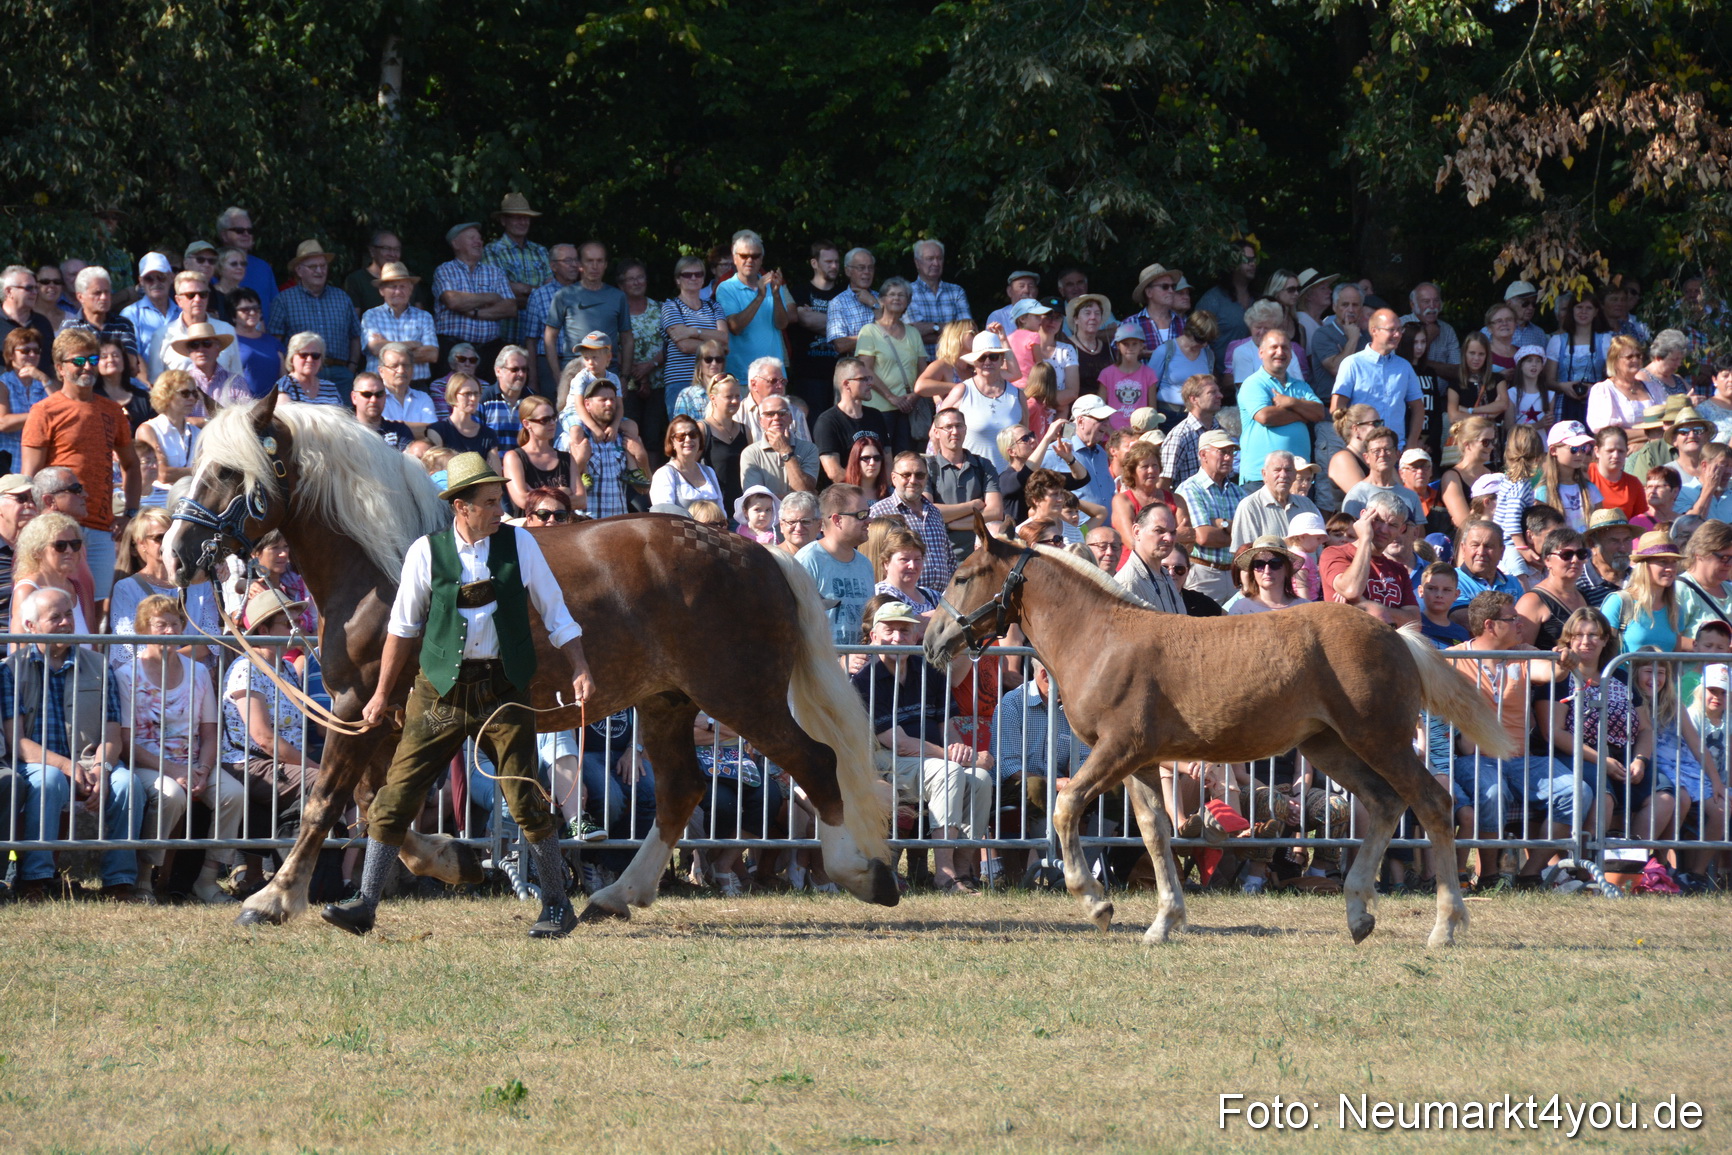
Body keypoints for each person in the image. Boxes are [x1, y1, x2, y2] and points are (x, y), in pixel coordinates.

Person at [325, 454, 594, 937]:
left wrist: (579, 666)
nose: (499, 509)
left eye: (498, 500)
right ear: (460, 507)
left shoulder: (522, 545)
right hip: (439, 691)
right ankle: (365, 903)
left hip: (505, 688)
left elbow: (556, 612)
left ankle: (557, 904)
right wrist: (381, 694)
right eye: (489, 503)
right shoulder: (426, 553)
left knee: (525, 798)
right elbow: (402, 631)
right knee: (396, 794)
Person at [4, 586, 146, 902]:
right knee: (50, 780)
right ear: (31, 627)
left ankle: (119, 883)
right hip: (38, 765)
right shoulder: (10, 670)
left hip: (90, 762)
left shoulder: (99, 664)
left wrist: (102, 767)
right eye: (56, 617)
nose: (67, 623)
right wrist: (66, 766)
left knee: (128, 784)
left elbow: (111, 731)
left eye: (69, 614)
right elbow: (16, 741)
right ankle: (34, 880)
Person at [117, 594, 239, 904]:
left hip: (195, 763)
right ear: (144, 630)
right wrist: (173, 770)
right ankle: (144, 880)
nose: (171, 631)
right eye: (161, 625)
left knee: (234, 794)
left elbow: (210, 731)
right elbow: (127, 741)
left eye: (175, 624)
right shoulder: (126, 675)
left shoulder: (198, 672)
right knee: (171, 795)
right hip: (147, 764)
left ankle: (207, 879)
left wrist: (204, 769)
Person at [21, 331, 141, 601]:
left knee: (97, 605)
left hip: (100, 526)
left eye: (92, 358)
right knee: (55, 600)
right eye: (79, 360)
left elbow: (132, 465)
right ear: (60, 368)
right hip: (55, 524)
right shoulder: (44, 410)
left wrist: (130, 512)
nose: (87, 366)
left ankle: (92, 648)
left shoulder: (112, 411)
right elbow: (30, 476)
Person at [266, 241, 362, 390]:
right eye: (313, 267)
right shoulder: (284, 300)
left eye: (323, 266)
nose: (319, 271)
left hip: (341, 374)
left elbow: (355, 336)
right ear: (299, 271)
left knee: (343, 414)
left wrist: (352, 367)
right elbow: (275, 342)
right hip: (302, 375)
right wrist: (286, 375)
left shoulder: (342, 298)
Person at [1236, 330, 1325, 484]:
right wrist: (1302, 413)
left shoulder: (1301, 385)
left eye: (1285, 348)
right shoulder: (1253, 383)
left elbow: (1319, 412)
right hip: (1261, 477)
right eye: (1274, 347)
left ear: (1291, 354)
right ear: (1261, 353)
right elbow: (1265, 416)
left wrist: (1292, 402)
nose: (1280, 352)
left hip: (1298, 477)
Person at [1320, 492, 1419, 625]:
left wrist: (1371, 607)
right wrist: (1365, 538)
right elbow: (1352, 590)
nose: (1384, 529)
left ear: (1401, 529)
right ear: (1364, 516)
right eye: (1378, 520)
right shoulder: (1334, 553)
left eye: (1393, 525)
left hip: (1388, 643)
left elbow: (1415, 623)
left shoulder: (1398, 570)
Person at [436, 223, 518, 377]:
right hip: (453, 349)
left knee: (488, 396)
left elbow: (510, 308)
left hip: (490, 350)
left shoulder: (495, 272)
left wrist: (474, 312)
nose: (478, 242)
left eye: (479, 239)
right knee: (452, 396)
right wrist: (490, 297)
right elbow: (453, 301)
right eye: (472, 238)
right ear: (455, 244)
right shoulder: (445, 270)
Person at [1173, 429, 1245, 603]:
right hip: (1204, 574)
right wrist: (1236, 530)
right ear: (1203, 455)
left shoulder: (1238, 492)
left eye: (1231, 452)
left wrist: (1222, 525)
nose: (1229, 458)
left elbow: (1250, 534)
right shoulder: (1189, 489)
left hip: (1235, 575)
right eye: (1222, 452)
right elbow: (1203, 536)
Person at [855, 277, 927, 449]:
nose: (897, 298)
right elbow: (865, 370)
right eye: (892, 294)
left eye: (902, 295)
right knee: (879, 456)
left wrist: (915, 397)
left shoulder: (913, 333)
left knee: (905, 457)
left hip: (908, 408)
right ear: (881, 300)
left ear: (908, 302)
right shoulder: (869, 331)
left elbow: (923, 372)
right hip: (878, 409)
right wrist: (891, 397)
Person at [798, 484, 875, 645]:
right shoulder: (809, 560)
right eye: (861, 515)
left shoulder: (865, 564)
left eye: (868, 514)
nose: (869, 520)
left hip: (859, 666)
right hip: (821, 666)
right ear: (837, 520)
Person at [869, 451, 957, 592]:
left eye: (919, 475)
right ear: (894, 478)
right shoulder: (878, 512)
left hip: (939, 601)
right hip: (898, 600)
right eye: (906, 475)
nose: (913, 480)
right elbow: (871, 560)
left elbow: (950, 561)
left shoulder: (935, 513)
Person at [565, 378, 650, 519]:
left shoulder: (626, 436)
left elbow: (643, 489)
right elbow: (561, 489)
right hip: (584, 526)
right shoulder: (573, 438)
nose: (609, 403)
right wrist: (581, 460)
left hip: (618, 526)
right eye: (603, 399)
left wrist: (641, 456)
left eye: (612, 399)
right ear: (587, 404)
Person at [926, 407, 1005, 556]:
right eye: (948, 427)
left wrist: (951, 524)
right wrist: (972, 506)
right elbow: (928, 513)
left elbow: (995, 512)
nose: (955, 432)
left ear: (965, 429)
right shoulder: (927, 467)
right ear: (936, 432)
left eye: (959, 426)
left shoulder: (983, 465)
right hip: (940, 557)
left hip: (979, 556)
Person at [718, 230, 794, 383]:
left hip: (774, 376)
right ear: (734, 258)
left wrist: (776, 294)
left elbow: (782, 324)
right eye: (744, 256)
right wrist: (760, 296)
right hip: (742, 377)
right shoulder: (726, 288)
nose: (749, 260)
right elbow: (735, 327)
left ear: (761, 259)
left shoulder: (772, 285)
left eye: (755, 256)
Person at [945, 332, 1025, 472]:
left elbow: (1024, 438)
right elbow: (936, 432)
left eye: (993, 357)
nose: (987, 362)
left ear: (1001, 360)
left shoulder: (1017, 394)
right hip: (970, 476)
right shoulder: (962, 391)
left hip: (1009, 480)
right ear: (974, 362)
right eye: (982, 357)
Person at [483, 193, 551, 351]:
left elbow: (551, 291)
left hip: (541, 338)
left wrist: (522, 291)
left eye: (526, 217)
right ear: (503, 220)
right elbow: (498, 291)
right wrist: (536, 293)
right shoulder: (492, 251)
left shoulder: (540, 251)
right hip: (505, 337)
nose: (523, 222)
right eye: (516, 217)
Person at [1601, 530, 1687, 653]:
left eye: (1673, 562)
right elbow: (1602, 652)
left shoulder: (1676, 611)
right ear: (1644, 565)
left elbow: (1675, 660)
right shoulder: (1619, 602)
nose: (1670, 569)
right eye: (1662, 562)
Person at [784, 242, 843, 410]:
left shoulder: (844, 294)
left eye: (837, 262)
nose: (834, 266)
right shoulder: (800, 292)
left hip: (839, 376)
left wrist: (814, 318)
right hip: (808, 376)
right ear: (814, 263)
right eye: (828, 262)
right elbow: (804, 320)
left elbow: (853, 327)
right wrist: (840, 324)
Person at [150, 271, 241, 380]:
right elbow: (156, 384)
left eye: (203, 295)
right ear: (178, 300)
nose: (197, 300)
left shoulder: (226, 330)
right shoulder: (162, 336)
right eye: (190, 295)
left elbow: (237, 377)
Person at [502, 395, 581, 513]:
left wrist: (535, 492)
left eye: (553, 418)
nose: (552, 423)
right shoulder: (514, 457)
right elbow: (522, 501)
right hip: (531, 529)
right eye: (545, 420)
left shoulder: (566, 458)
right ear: (527, 424)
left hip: (563, 528)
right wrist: (563, 491)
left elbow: (581, 500)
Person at [360, 262, 437, 381]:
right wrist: (413, 344)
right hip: (380, 387)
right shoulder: (371, 315)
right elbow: (376, 348)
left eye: (402, 286)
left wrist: (387, 348)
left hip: (417, 386)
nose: (398, 291)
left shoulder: (424, 317)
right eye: (393, 286)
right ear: (382, 290)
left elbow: (432, 354)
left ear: (411, 289)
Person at [1229, 449, 1321, 550]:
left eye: (1288, 470)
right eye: (1277, 470)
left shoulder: (1307, 505)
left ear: (1294, 474)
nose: (1283, 475)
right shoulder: (1250, 506)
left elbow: (1319, 549)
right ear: (1264, 474)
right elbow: (1244, 554)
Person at [135, 370, 202, 506]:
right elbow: (162, 474)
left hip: (192, 501)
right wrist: (198, 472)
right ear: (167, 395)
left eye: (194, 394)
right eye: (185, 393)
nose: (192, 398)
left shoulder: (197, 432)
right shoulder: (148, 430)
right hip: (157, 502)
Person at [617, 258, 666, 441]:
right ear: (621, 285)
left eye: (640, 277)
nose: (637, 282)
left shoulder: (661, 308)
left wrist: (650, 366)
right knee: (631, 436)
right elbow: (614, 347)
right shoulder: (617, 311)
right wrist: (638, 373)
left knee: (654, 437)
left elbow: (670, 343)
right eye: (631, 279)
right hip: (627, 385)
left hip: (658, 382)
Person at [1546, 292, 1611, 422]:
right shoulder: (1557, 341)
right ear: (1572, 310)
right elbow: (1549, 381)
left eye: (1589, 308)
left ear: (1596, 312)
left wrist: (1594, 388)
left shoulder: (1605, 340)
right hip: (1565, 403)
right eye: (1579, 307)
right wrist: (1563, 387)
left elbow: (1613, 377)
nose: (1583, 312)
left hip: (1597, 400)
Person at [1112, 502, 1186, 613]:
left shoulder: (1165, 574)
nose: (1169, 538)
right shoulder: (1129, 583)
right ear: (1137, 532)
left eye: (1172, 532)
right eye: (1159, 531)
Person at [62, 267, 140, 370]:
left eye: (107, 292)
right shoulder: (70, 328)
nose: (104, 297)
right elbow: (72, 366)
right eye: (97, 293)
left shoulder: (122, 324)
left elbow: (131, 364)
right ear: (80, 297)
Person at [1147, 312, 1217, 426]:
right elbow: (1149, 388)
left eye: (1208, 341)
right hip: (1168, 415)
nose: (1204, 345)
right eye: (1200, 340)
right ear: (1189, 332)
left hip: (1199, 416)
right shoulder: (1165, 350)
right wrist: (1152, 418)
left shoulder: (1208, 355)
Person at [1341, 426, 1423, 523]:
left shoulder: (1411, 496)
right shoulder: (1357, 495)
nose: (1382, 454)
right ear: (1366, 457)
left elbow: (1418, 534)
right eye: (1376, 451)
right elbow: (1350, 534)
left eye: (1387, 449)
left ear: (1397, 454)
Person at [1532, 419, 1603, 531]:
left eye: (1584, 448)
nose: (1580, 453)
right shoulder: (1543, 492)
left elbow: (1600, 527)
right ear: (1553, 450)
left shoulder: (1591, 489)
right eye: (1573, 448)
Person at [1587, 336, 1664, 436]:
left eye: (1638, 356)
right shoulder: (1604, 390)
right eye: (1629, 357)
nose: (1635, 360)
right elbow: (1607, 433)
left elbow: (1666, 423)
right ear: (1614, 361)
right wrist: (1650, 435)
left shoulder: (1653, 388)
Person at [1196, 241, 1258, 365]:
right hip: (1218, 376)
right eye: (1246, 259)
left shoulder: (1257, 300)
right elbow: (1197, 340)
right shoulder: (1213, 299)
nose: (1252, 264)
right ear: (1231, 263)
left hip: (1252, 375)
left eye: (1254, 259)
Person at [696, 373, 748, 516]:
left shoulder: (745, 430)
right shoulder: (702, 429)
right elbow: (689, 467)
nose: (734, 401)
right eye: (728, 396)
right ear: (713, 399)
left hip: (741, 511)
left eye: (737, 396)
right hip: (714, 512)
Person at [0, 328, 51, 473]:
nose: (32, 355)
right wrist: (41, 415)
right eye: (25, 351)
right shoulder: (3, 384)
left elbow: (63, 408)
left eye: (36, 351)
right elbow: (3, 422)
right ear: (11, 354)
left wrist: (44, 378)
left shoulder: (45, 383)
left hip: (42, 462)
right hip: (9, 462)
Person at [1159, 373, 1224, 487]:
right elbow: (1164, 482)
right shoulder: (1180, 435)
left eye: (1218, 391)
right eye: (1212, 392)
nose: (1220, 396)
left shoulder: (1219, 431)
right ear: (1194, 399)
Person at [426, 374, 501, 470]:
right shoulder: (438, 431)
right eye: (467, 394)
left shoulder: (488, 434)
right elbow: (438, 471)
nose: (473, 398)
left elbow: (496, 476)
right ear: (453, 395)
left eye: (476, 393)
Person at [908, 239, 971, 353]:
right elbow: (913, 334)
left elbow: (967, 330)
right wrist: (954, 332)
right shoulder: (907, 292)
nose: (936, 263)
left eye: (939, 258)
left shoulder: (956, 291)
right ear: (917, 263)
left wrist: (932, 327)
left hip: (954, 366)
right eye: (930, 259)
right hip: (921, 366)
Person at [651, 415, 724, 511]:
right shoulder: (664, 474)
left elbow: (721, 511)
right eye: (681, 437)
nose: (688, 439)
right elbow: (664, 515)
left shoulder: (709, 472)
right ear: (672, 442)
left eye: (693, 434)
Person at [1097, 322, 1158, 428]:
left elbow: (1152, 411)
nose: (1130, 348)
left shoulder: (1149, 374)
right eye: (1125, 344)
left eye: (1134, 343)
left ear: (1141, 345)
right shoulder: (1107, 374)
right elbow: (1098, 410)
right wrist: (1111, 433)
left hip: (1140, 433)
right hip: (1112, 434)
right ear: (1117, 345)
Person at [1227, 534, 1308, 614]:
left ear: (1287, 569)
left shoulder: (1305, 608)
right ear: (1253, 572)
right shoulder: (1239, 609)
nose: (1267, 570)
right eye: (1259, 564)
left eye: (1275, 563)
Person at [873, 526, 943, 618]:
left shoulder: (933, 597)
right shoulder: (879, 594)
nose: (912, 565)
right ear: (886, 563)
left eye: (917, 559)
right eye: (904, 559)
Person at [229, 288, 284, 397]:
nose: (253, 313)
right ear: (233, 315)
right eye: (245, 310)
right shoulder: (228, 341)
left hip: (273, 406)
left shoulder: (272, 341)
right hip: (241, 406)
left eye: (256, 308)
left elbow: (283, 379)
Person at [1400, 282, 1462, 378]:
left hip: (1442, 393)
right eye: (1426, 301)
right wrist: (1428, 338)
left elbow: (1457, 371)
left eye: (1436, 300)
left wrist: (1421, 363)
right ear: (1413, 305)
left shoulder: (1447, 330)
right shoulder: (1401, 325)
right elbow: (1398, 364)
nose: (1432, 306)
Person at [1576, 508, 1634, 608]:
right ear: (1592, 544)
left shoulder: (1640, 579)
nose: (1623, 548)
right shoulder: (1579, 585)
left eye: (1627, 540)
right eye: (1614, 541)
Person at [273, 332, 344, 406]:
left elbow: (340, 416)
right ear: (291, 358)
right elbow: (284, 415)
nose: (310, 360)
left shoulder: (330, 388)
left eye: (315, 356)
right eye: (304, 355)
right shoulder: (285, 385)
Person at [1066, 292, 1114, 396]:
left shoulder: (1108, 349)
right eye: (1087, 313)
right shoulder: (1066, 347)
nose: (1093, 317)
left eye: (1097, 313)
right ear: (1076, 319)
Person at [0, 264, 55, 350]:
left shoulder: (42, 323)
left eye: (36, 288)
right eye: (29, 288)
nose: (35, 292)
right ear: (9, 291)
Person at [844, 432, 890, 501]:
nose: (872, 463)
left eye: (877, 458)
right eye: (866, 458)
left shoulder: (891, 494)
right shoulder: (841, 494)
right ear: (855, 460)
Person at [777, 491, 820, 558]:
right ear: (781, 525)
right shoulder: (772, 559)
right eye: (791, 522)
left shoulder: (829, 558)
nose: (799, 528)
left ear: (819, 525)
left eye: (805, 522)